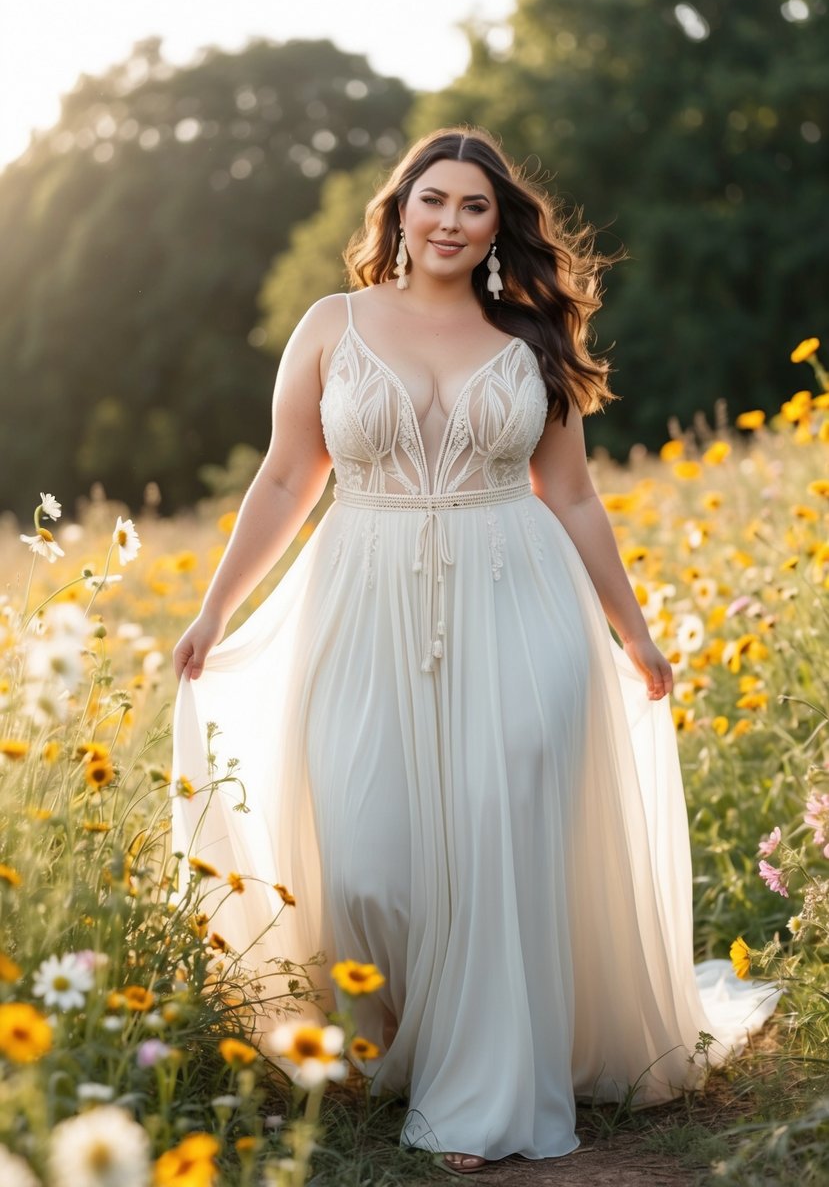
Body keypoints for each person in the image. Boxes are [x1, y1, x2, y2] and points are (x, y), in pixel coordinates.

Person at [172, 127, 776, 1175]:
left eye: (474, 207)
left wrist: (633, 632)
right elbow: (283, 478)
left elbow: (574, 495)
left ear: (500, 228)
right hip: (361, 603)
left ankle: (481, 1099)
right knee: (367, 859)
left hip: (520, 600)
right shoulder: (332, 324)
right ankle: (392, 1047)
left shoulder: (530, 336)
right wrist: (216, 609)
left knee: (501, 840)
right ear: (398, 212)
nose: (450, 221)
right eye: (433, 200)